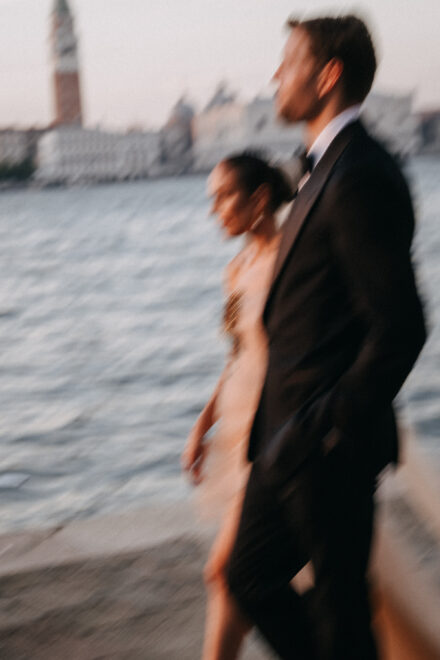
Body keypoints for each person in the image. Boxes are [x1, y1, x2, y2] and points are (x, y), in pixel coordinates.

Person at [226, 15, 426, 660]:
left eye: (289, 63)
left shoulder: (361, 173)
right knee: (250, 576)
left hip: (323, 443)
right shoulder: (326, 168)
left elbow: (400, 325)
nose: (276, 76)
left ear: (328, 74)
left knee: (339, 612)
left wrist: (331, 425)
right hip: (284, 439)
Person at [182, 152, 294, 660]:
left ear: (259, 199)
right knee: (228, 574)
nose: (215, 211)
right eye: (213, 200)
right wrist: (203, 424)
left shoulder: (288, 261)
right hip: (236, 431)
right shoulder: (238, 266)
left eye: (224, 197)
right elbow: (236, 355)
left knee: (226, 570)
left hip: (271, 436)